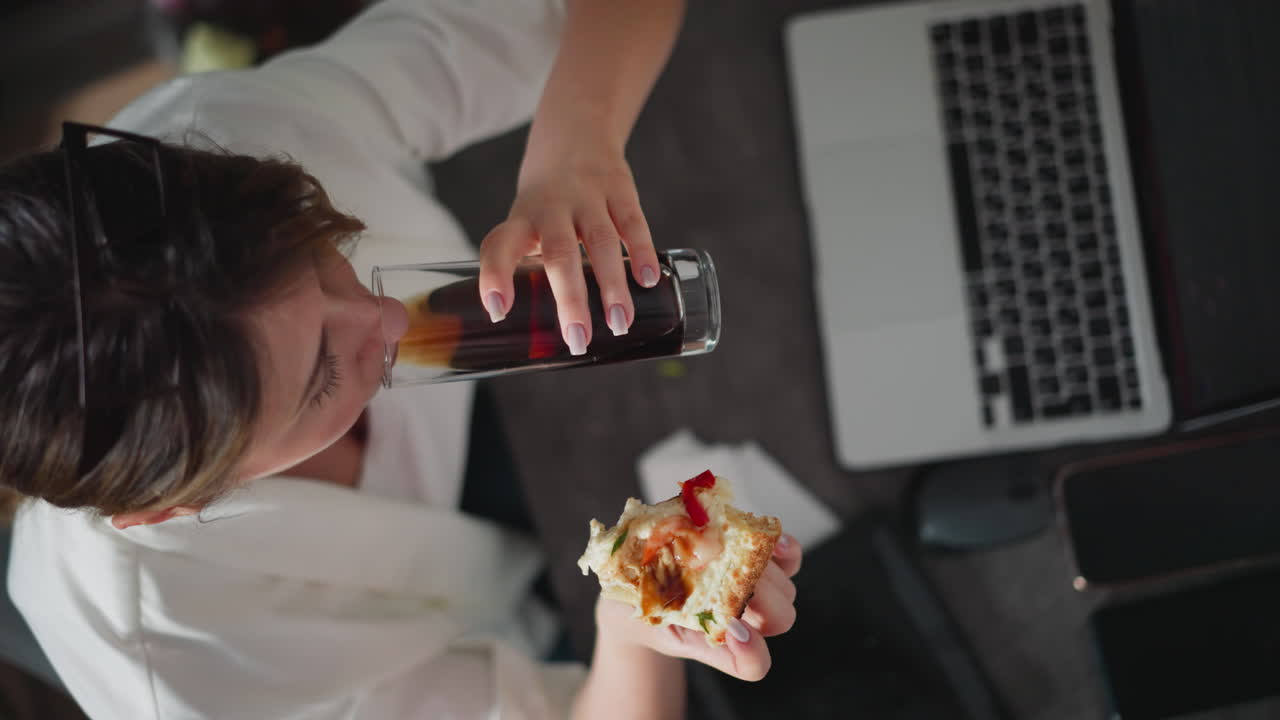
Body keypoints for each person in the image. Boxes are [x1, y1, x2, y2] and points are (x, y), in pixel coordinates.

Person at [0, 1, 803, 718]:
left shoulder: (229, 137)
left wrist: (577, 133)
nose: (386, 316)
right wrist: (630, 631)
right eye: (318, 375)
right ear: (170, 507)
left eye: (322, 254)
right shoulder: (183, 669)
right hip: (462, 638)